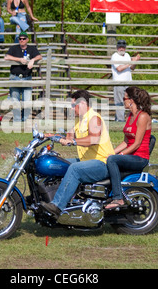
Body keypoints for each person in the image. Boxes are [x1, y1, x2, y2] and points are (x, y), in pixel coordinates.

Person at [40, 90, 115, 219]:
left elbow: (94, 139)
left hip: (102, 163)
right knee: (58, 164)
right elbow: (69, 135)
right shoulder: (79, 121)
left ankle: (57, 206)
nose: (72, 109)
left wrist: (73, 141)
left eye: (74, 106)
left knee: (74, 169)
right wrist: (50, 136)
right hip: (86, 161)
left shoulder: (94, 118)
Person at [105, 86, 152, 210]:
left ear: (131, 100)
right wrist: (110, 152)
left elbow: (136, 144)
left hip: (139, 157)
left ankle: (118, 198)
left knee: (112, 160)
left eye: (124, 98)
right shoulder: (129, 116)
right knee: (108, 158)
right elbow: (126, 142)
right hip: (130, 155)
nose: (123, 101)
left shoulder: (143, 117)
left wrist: (119, 156)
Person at [4, 31, 42, 122]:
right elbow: (6, 57)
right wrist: (19, 59)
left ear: (27, 39)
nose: (22, 40)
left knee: (27, 101)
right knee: (15, 100)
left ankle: (25, 120)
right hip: (15, 77)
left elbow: (40, 56)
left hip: (27, 77)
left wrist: (32, 60)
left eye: (24, 38)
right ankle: (17, 120)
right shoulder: (14, 48)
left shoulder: (32, 49)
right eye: (20, 38)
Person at [111, 40, 140, 122]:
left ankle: (126, 119)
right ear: (117, 47)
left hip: (128, 82)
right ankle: (120, 120)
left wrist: (135, 61)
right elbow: (119, 68)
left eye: (123, 47)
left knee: (129, 101)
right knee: (120, 102)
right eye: (120, 47)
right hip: (119, 83)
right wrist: (130, 62)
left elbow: (132, 68)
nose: (121, 48)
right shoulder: (115, 56)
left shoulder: (127, 55)